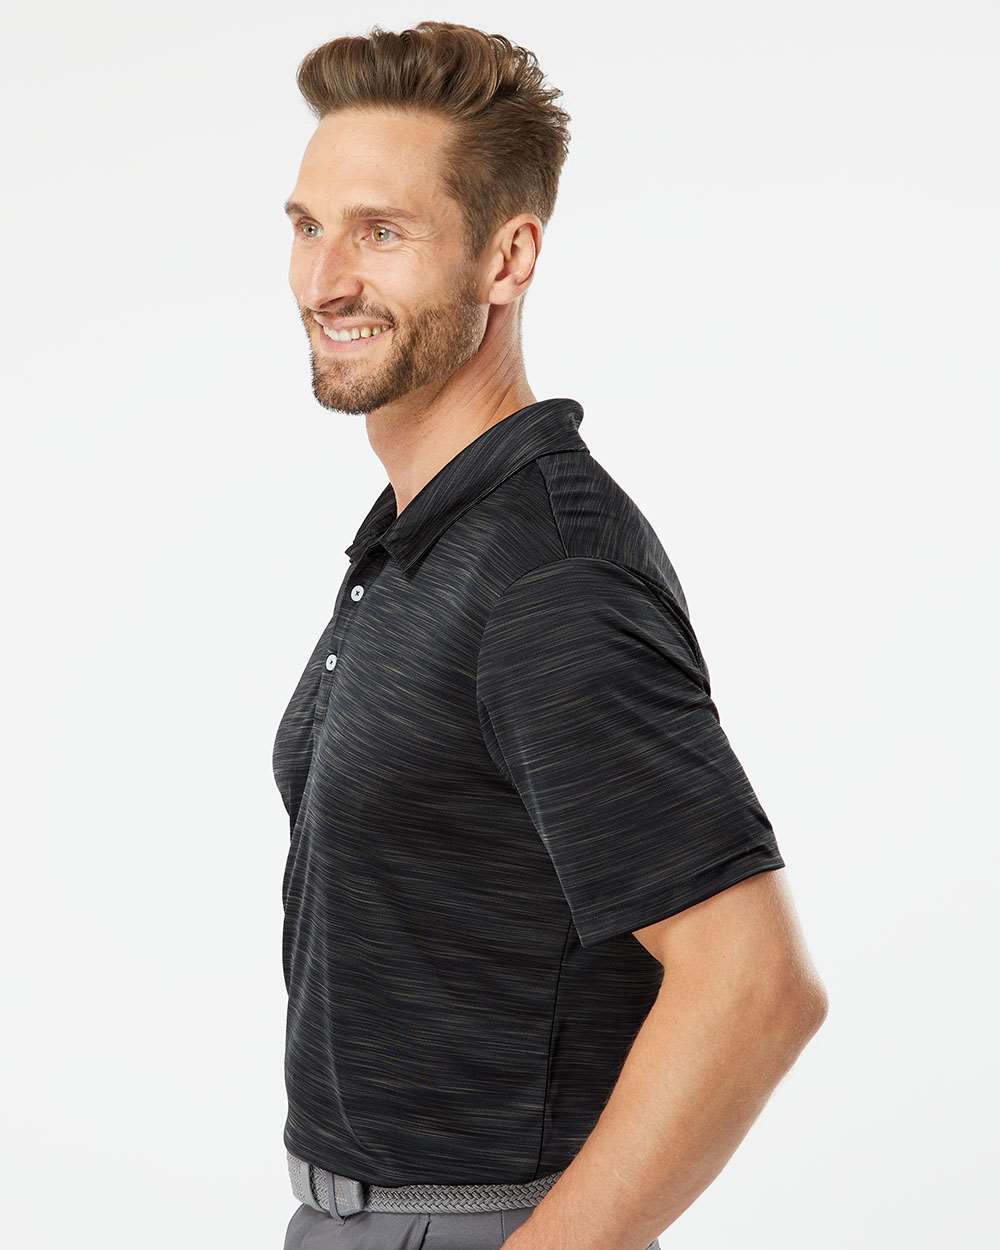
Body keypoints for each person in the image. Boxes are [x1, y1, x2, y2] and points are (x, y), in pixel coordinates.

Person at [273, 20, 828, 1250]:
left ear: (507, 256)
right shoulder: (425, 538)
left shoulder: (546, 573)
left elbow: (753, 982)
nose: (324, 281)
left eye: (381, 232)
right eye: (308, 226)